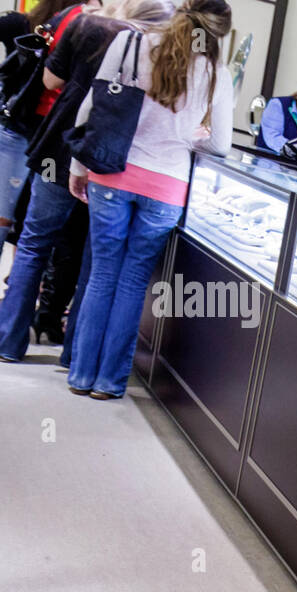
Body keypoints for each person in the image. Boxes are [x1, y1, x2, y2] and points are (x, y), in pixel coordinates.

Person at [65, 0, 232, 399]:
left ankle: (81, 375)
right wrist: (190, 136)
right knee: (133, 282)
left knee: (102, 275)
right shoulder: (215, 72)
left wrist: (76, 168)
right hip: (167, 188)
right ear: (218, 32)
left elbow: (91, 108)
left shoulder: (129, 43)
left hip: (113, 173)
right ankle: (108, 383)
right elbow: (221, 145)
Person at [0, 0, 173, 364]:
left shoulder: (84, 25)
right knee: (91, 259)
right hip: (110, 158)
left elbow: (50, 80)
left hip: (58, 146)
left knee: (34, 242)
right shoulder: (154, 49)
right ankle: (74, 355)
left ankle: (8, 342)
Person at [0, 0, 86, 247]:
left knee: (6, 212)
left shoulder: (23, 23)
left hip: (19, 125)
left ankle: (18, 278)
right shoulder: (82, 27)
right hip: (53, 134)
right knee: (32, 218)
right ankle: (19, 280)